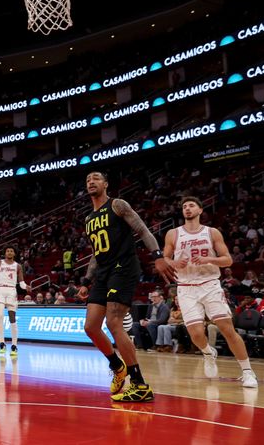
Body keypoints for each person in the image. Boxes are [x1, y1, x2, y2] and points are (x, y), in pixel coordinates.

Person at [82, 171, 168, 402]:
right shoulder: (89, 219)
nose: (91, 181)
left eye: (96, 178)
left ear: (106, 184)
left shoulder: (117, 205)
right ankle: (116, 365)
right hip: (103, 272)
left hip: (124, 267)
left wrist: (157, 255)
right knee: (90, 327)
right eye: (88, 179)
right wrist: (87, 280)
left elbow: (142, 230)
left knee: (113, 322)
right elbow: (95, 252)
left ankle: (139, 384)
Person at [161, 197, 258, 387]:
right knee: (196, 333)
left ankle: (247, 371)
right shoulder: (173, 234)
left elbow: (228, 260)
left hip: (209, 284)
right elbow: (165, 257)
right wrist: (173, 262)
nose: (187, 209)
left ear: (200, 210)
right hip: (186, 287)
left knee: (227, 328)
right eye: (184, 207)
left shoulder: (212, 232)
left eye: (191, 206)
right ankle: (208, 352)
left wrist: (208, 261)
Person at [0, 247, 27, 355]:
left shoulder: (18, 266)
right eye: (8, 251)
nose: (9, 252)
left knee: (12, 318)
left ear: (14, 253)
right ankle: (2, 343)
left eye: (11, 251)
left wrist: (26, 286)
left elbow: (21, 282)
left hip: (11, 291)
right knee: (0, 315)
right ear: (5, 253)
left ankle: (14, 345)